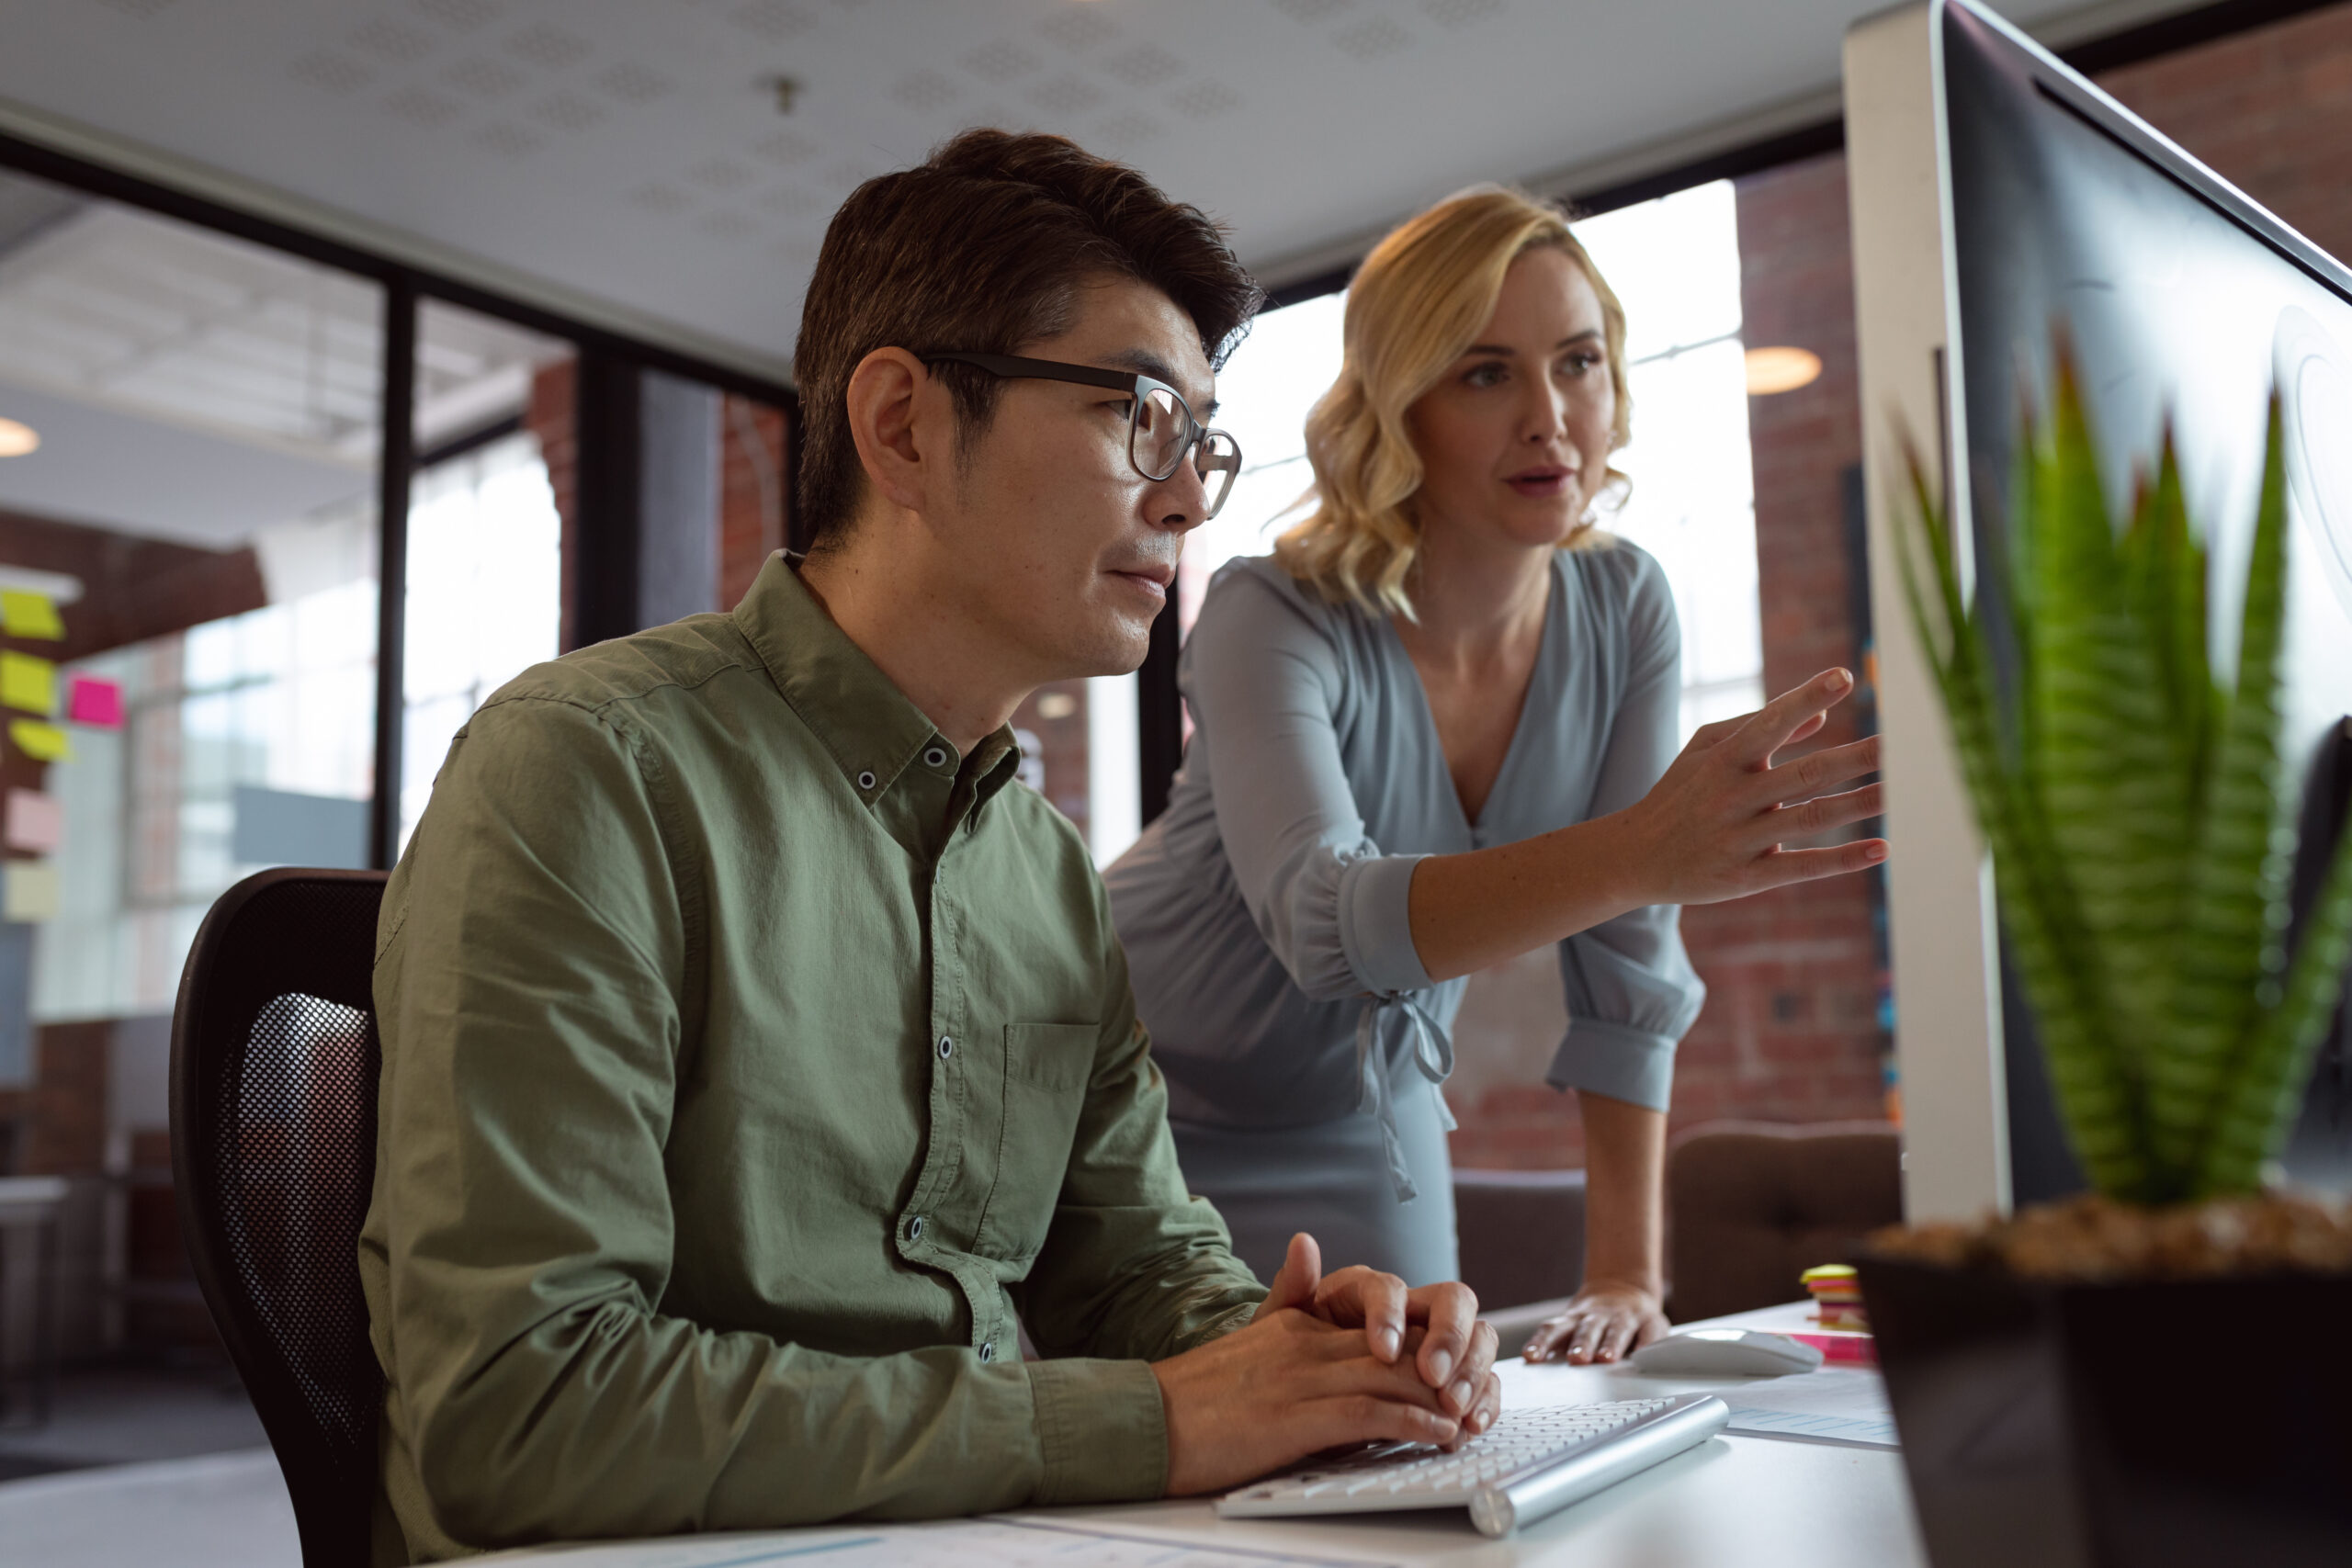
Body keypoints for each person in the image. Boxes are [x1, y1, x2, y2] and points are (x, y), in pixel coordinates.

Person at [357, 130, 1502, 1564]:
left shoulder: (1044, 874)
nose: (1188, 496)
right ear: (900, 424)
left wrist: (1316, 1351)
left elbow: (1139, 1268)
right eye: (1139, 414)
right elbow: (520, 1413)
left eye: (1200, 440)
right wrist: (1148, 1419)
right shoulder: (589, 768)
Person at [1104, 186, 1886, 1365]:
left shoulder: (1624, 609)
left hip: (1366, 1117)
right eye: (1484, 374)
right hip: (1131, 1095)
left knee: (1411, 1419)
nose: (1548, 417)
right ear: (1399, 408)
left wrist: (1626, 1273)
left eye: (1577, 363)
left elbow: (1628, 964)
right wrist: (1641, 850)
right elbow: (1327, 925)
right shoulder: (1271, 612)